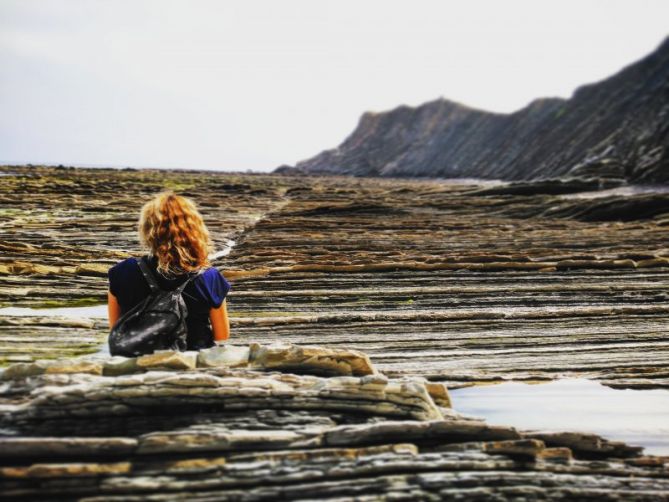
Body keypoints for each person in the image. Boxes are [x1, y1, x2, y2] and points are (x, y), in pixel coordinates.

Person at [107, 191, 231, 350]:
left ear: (148, 229)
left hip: (138, 364)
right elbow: (222, 336)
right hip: (191, 364)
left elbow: (115, 330)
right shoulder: (210, 277)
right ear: (195, 229)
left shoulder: (122, 272)